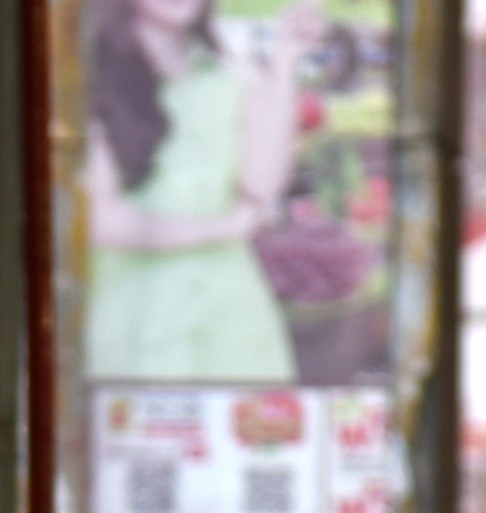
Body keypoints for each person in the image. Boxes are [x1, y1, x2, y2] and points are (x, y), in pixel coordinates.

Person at [85, 0, 325, 382]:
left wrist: (285, 62)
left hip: (231, 323)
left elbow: (261, 184)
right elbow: (101, 222)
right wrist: (222, 229)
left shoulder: (232, 76)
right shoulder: (92, 78)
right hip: (133, 318)